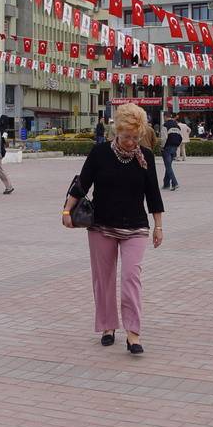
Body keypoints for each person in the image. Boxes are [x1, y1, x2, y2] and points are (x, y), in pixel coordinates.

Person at [62, 103, 164, 355]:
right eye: (127, 137)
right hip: (101, 225)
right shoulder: (100, 153)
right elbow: (82, 184)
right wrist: (67, 211)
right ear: (117, 131)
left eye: (136, 137)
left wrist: (158, 226)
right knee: (104, 280)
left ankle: (133, 333)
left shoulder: (145, 157)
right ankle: (108, 327)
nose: (131, 142)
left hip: (135, 227)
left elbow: (153, 193)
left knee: (131, 278)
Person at [159, 113, 182, 190]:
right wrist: (177, 146)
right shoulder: (177, 125)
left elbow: (164, 138)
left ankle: (175, 183)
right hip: (174, 147)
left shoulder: (165, 125)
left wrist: (162, 147)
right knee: (168, 166)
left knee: (168, 166)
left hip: (167, 148)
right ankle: (166, 184)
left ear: (165, 117)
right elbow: (180, 137)